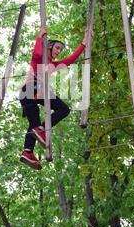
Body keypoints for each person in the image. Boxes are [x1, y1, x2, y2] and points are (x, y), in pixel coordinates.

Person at [19, 26, 93, 170]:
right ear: (50, 45)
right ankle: (41, 130)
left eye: (61, 50)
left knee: (37, 125)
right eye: (57, 48)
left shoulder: (54, 64)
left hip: (32, 95)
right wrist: (40, 37)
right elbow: (37, 52)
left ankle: (27, 152)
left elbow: (71, 59)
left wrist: (84, 42)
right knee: (58, 110)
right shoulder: (40, 57)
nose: (58, 52)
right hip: (30, 89)